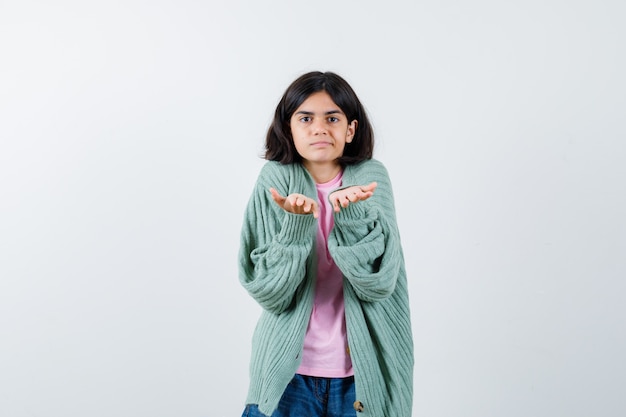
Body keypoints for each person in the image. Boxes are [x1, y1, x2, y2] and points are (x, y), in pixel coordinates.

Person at [238, 71, 413, 417]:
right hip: (287, 374)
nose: (319, 128)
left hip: (362, 376)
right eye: (306, 118)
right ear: (289, 128)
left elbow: (378, 284)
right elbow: (270, 292)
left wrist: (352, 215)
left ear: (350, 129)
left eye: (332, 118)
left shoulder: (371, 178)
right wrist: (295, 227)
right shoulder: (275, 180)